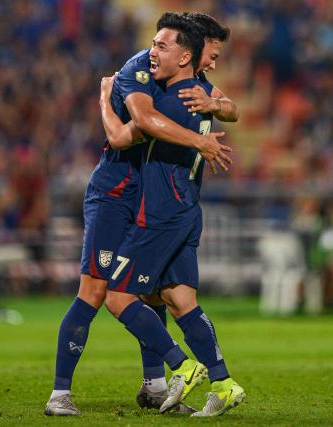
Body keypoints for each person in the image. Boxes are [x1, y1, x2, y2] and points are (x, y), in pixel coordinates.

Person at [44, 12, 237, 416]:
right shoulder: (141, 70)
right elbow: (126, 132)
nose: (214, 63)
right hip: (115, 194)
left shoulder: (191, 86)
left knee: (155, 294)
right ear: (193, 53)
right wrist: (103, 100)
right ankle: (60, 393)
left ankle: (156, 386)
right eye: (212, 55)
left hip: (150, 198)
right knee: (98, 291)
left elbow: (230, 106)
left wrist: (216, 104)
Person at [103, 15, 245, 417]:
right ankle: (225, 384)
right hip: (188, 209)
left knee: (117, 297)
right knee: (180, 300)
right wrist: (216, 108)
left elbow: (119, 136)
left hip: (161, 213)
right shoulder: (199, 92)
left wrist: (104, 99)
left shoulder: (166, 103)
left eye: (162, 47)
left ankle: (183, 365)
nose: (153, 52)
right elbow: (231, 109)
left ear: (185, 56)